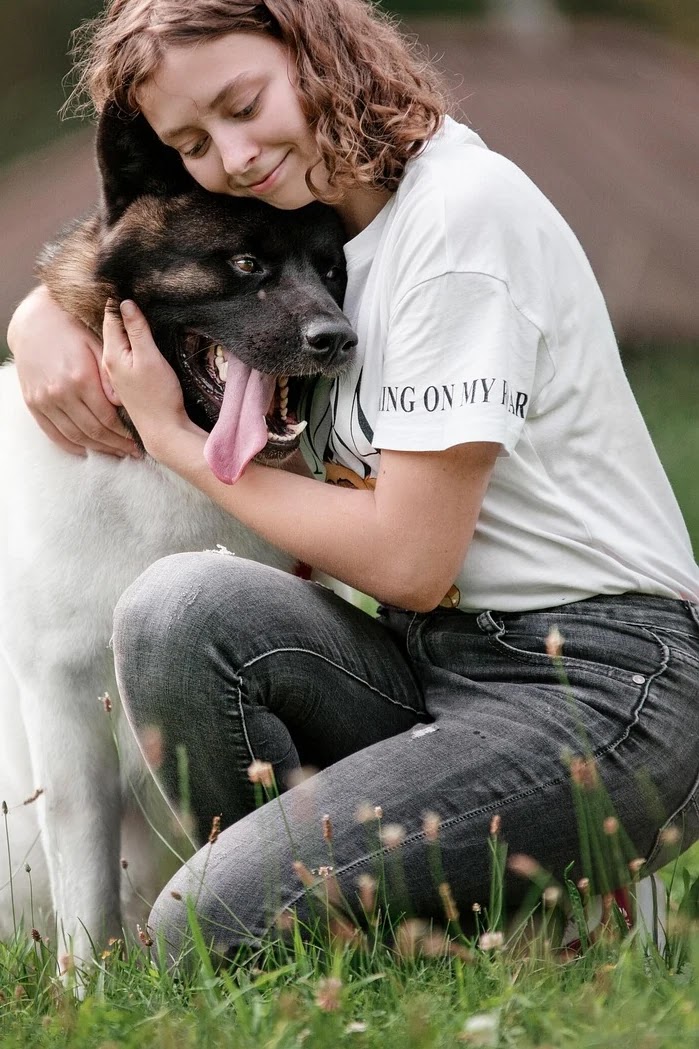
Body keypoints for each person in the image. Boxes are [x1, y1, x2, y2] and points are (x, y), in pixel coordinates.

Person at [8, 0, 699, 961]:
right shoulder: (323, 226)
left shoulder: (456, 222)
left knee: (199, 928)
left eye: (244, 103)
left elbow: (412, 563)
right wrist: (43, 312)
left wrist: (170, 440)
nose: (235, 154)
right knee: (180, 606)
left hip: (602, 686)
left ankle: (518, 908)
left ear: (316, 51)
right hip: (437, 667)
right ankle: (339, 916)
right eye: (194, 141)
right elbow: (157, 244)